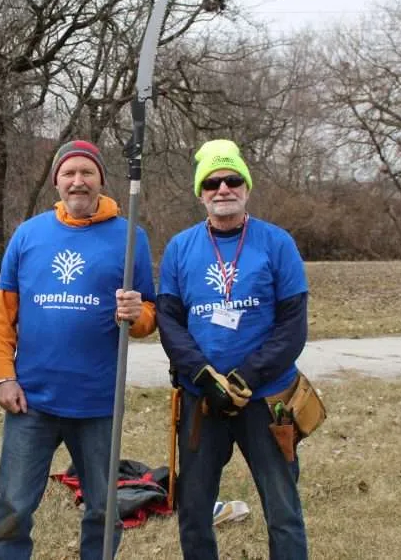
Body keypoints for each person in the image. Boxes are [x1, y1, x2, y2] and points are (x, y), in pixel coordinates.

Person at [0, 139, 158, 560]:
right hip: (33, 401)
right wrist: (4, 376)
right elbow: (2, 315)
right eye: (69, 173)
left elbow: (150, 317)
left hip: (98, 402)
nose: (78, 181)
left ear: (100, 179)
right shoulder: (29, 235)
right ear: (56, 182)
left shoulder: (130, 235)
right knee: (13, 505)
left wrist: (136, 314)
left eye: (86, 172)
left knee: (103, 510)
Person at [157, 139, 309, 560]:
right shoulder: (179, 248)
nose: (223, 189)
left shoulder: (277, 244)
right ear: (200, 192)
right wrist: (205, 377)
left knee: (282, 507)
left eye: (232, 179)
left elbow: (293, 326)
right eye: (212, 182)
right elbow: (169, 322)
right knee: (194, 506)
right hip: (202, 400)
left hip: (266, 398)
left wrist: (247, 377)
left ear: (246, 186)